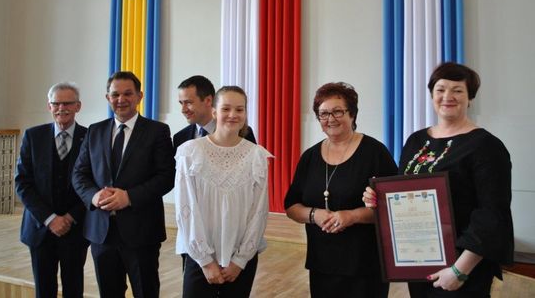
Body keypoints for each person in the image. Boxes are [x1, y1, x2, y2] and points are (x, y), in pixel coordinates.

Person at [363, 62, 514, 297]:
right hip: (418, 259)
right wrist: (378, 199)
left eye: (457, 90)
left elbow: (492, 214)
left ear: (470, 98)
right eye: (440, 89)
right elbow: (403, 191)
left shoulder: (486, 146)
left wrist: (459, 270)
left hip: (462, 267)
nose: (447, 96)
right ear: (432, 95)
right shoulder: (416, 141)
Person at [284, 82, 397, 297]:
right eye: (324, 113)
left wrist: (352, 216)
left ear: (352, 114)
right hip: (322, 263)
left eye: (338, 111)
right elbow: (291, 206)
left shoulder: (375, 153)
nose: (330, 119)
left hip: (365, 264)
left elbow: (394, 207)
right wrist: (314, 214)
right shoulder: (310, 157)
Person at [72, 71, 175, 298]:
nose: (121, 99)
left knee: (146, 292)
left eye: (128, 93)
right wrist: (93, 196)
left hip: (142, 231)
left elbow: (166, 177)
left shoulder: (157, 131)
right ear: (107, 98)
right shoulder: (94, 131)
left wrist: (129, 197)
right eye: (115, 94)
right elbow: (79, 174)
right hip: (102, 232)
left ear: (139, 96)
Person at [175, 86, 271, 297]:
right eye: (226, 108)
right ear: (214, 112)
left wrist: (240, 260)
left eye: (239, 109)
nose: (233, 115)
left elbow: (259, 212)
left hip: (241, 262)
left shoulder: (257, 156)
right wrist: (205, 261)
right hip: (199, 259)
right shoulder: (190, 152)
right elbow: (186, 209)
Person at [15, 82, 89, 298]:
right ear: (49, 106)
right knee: (44, 290)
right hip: (40, 228)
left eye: (67, 103)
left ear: (78, 106)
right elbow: (22, 183)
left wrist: (70, 217)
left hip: (75, 229)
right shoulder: (33, 136)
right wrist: (50, 219)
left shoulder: (91, 137)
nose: (61, 108)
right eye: (56, 103)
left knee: (74, 289)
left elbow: (93, 184)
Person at [173, 75, 257, 155]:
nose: (183, 110)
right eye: (181, 103)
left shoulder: (243, 132)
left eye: (188, 103)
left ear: (208, 100)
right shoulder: (180, 137)